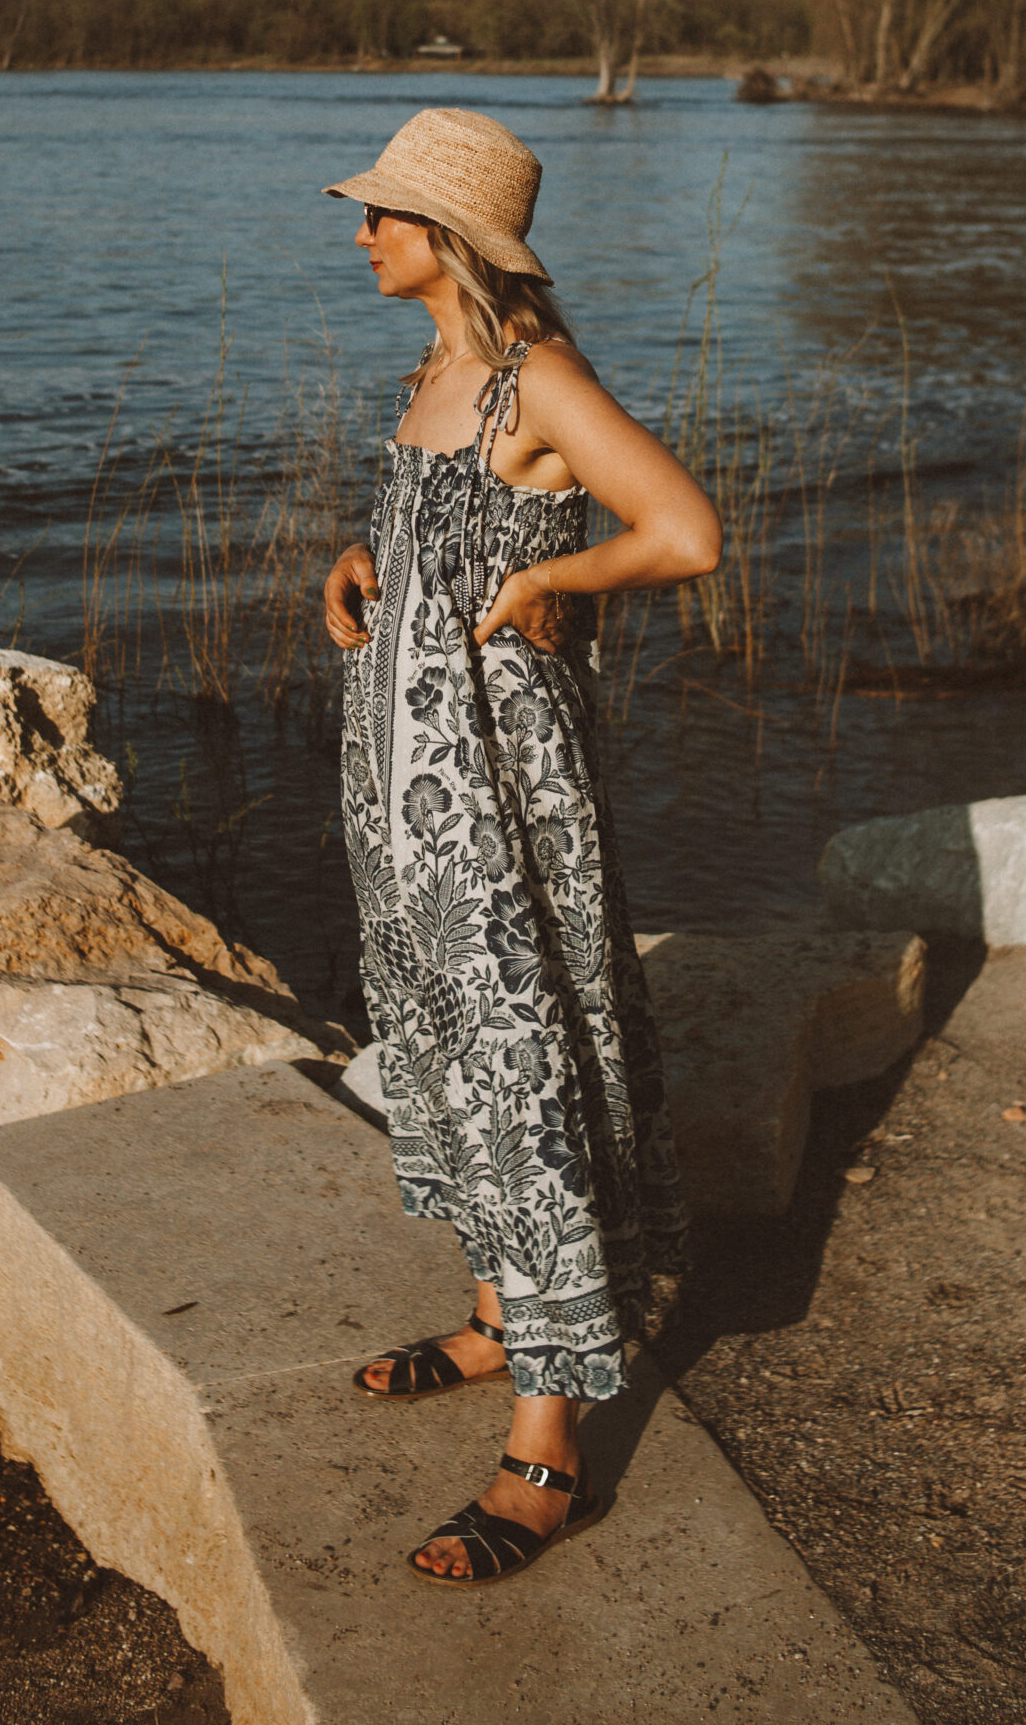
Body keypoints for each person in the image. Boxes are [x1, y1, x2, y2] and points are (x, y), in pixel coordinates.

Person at [320, 105, 722, 1587]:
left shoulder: (537, 376)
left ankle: (550, 1443)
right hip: (398, 780)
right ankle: (501, 1319)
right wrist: (369, 559)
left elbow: (682, 529)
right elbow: (440, 529)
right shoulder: (437, 371)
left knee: (523, 1061)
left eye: (383, 215)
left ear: (454, 243)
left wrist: (561, 575)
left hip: (500, 790)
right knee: (441, 1037)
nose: (360, 233)